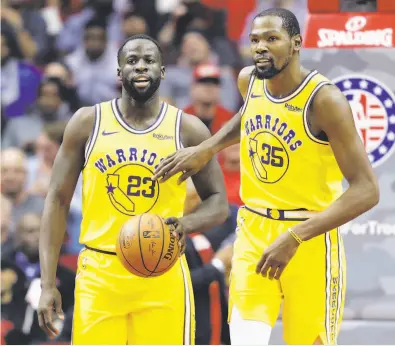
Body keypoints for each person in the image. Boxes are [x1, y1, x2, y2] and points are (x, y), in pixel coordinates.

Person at [152, 8, 380, 345]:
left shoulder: (325, 101)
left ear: (296, 44)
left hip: (309, 236)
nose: (260, 46)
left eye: (271, 39)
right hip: (253, 230)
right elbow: (248, 116)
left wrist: (296, 237)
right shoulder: (250, 80)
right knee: (245, 337)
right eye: (255, 39)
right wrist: (207, 148)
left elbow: (367, 190)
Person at [37, 34, 228, 345]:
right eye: (132, 61)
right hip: (100, 270)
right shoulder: (88, 122)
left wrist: (185, 224)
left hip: (162, 270)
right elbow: (57, 201)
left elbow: (219, 202)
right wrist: (47, 283)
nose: (141, 67)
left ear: (163, 71)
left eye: (149, 61)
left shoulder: (187, 128)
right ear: (118, 72)